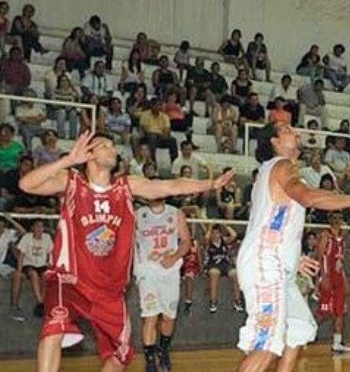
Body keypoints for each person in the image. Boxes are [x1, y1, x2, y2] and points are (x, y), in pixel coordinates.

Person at [18, 131, 234, 372]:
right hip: (70, 279)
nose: (113, 149)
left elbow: (171, 185)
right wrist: (67, 160)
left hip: (110, 289)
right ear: (88, 154)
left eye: (113, 145)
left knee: (121, 357)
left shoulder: (126, 186)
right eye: (105, 146)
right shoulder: (71, 182)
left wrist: (210, 184)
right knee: (54, 327)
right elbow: (26, 184)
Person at [236, 122, 350, 372]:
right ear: (274, 141)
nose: (294, 131)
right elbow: (308, 198)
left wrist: (293, 256)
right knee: (266, 345)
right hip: (266, 265)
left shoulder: (271, 172)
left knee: (299, 328)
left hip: (274, 262)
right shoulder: (282, 165)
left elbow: (268, 221)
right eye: (286, 129)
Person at [134, 198, 191, 372]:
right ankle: (150, 360)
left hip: (170, 272)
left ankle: (163, 349)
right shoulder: (138, 215)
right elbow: (127, 242)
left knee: (168, 317)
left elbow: (186, 242)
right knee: (150, 316)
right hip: (147, 272)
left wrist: (174, 257)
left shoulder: (175, 213)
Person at [315, 211, 350, 354]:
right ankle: (305, 332)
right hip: (327, 277)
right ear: (329, 220)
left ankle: (337, 343)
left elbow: (341, 262)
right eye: (334, 218)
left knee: (340, 311)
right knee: (325, 312)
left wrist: (344, 279)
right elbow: (319, 257)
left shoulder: (342, 240)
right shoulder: (325, 236)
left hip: (338, 278)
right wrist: (322, 277)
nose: (337, 220)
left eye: (339, 218)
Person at [13, 220, 53, 318]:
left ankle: (42, 304)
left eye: (42, 226)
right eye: (37, 226)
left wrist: (51, 266)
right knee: (33, 275)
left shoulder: (47, 237)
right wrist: (19, 269)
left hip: (42, 264)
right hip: (29, 264)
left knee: (45, 276)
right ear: (32, 228)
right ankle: (40, 303)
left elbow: (50, 253)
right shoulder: (27, 237)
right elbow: (21, 255)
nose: (40, 229)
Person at [204, 224, 243, 313]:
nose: (215, 235)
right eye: (213, 233)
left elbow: (234, 235)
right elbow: (206, 238)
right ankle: (213, 301)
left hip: (225, 264)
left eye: (217, 233)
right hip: (213, 265)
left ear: (220, 234)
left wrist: (225, 225)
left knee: (235, 273)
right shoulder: (208, 242)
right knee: (214, 273)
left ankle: (237, 301)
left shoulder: (224, 241)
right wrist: (210, 226)